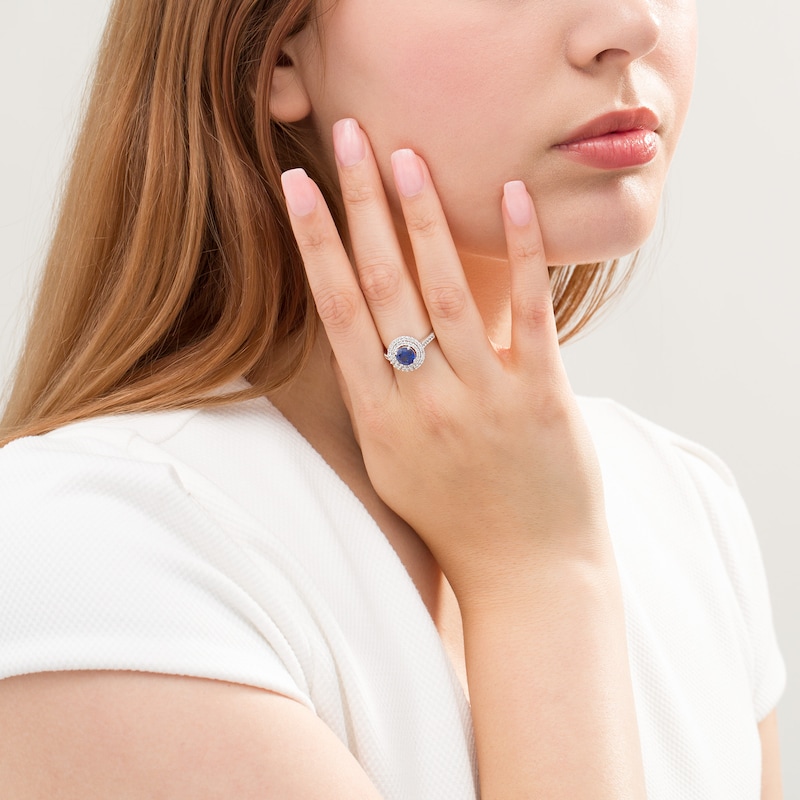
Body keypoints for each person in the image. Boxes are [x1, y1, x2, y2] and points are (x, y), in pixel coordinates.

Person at [0, 0, 786, 797]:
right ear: (278, 54)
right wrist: (538, 575)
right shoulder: (90, 557)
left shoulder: (688, 507)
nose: (633, 23)